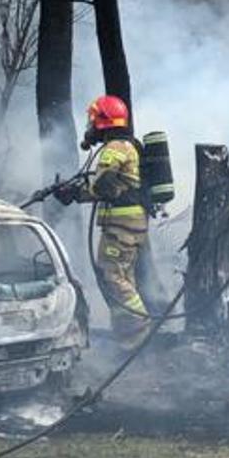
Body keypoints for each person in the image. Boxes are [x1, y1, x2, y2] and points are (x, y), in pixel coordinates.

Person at [56, 95, 151, 348]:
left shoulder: (115, 148)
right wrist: (74, 193)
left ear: (103, 121)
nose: (90, 126)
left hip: (122, 225)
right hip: (127, 224)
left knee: (113, 277)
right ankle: (129, 339)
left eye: (93, 120)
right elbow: (111, 187)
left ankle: (142, 330)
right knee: (122, 277)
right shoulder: (125, 145)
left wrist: (76, 191)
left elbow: (103, 184)